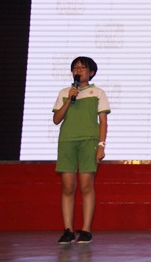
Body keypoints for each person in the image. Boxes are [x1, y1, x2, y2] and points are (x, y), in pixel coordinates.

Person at [53, 56, 110, 244]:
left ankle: (86, 230)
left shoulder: (98, 92)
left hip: (89, 141)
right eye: (75, 68)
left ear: (91, 72)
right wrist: (69, 99)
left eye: (83, 68)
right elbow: (56, 119)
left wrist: (101, 145)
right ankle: (68, 230)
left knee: (86, 185)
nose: (78, 70)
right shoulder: (65, 92)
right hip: (67, 141)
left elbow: (103, 121)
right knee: (68, 186)